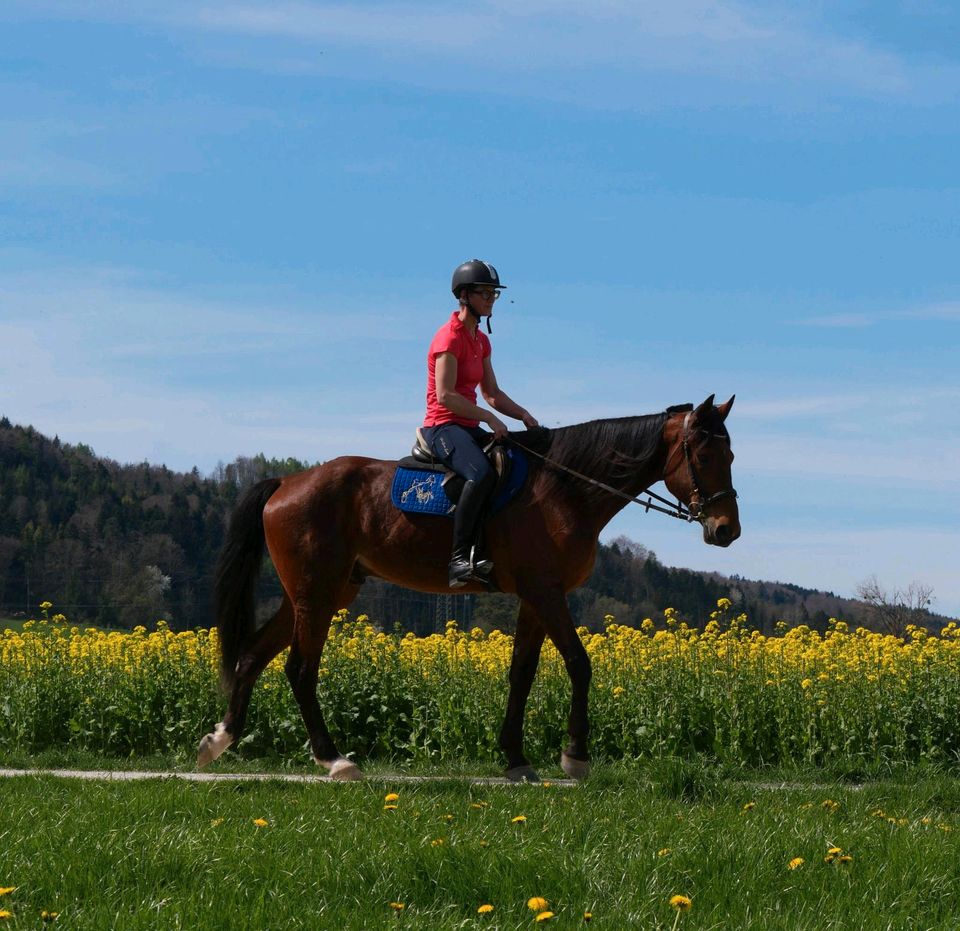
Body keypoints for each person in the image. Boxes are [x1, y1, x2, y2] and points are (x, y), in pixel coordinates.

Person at [421, 259, 540, 588]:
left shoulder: (481, 341)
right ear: (464, 295)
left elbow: (491, 393)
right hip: (442, 427)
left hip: (469, 425)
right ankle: (459, 560)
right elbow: (445, 396)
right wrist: (489, 418)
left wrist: (525, 416)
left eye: (493, 293)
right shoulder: (448, 338)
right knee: (482, 473)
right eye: (484, 292)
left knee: (513, 465)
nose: (490, 298)